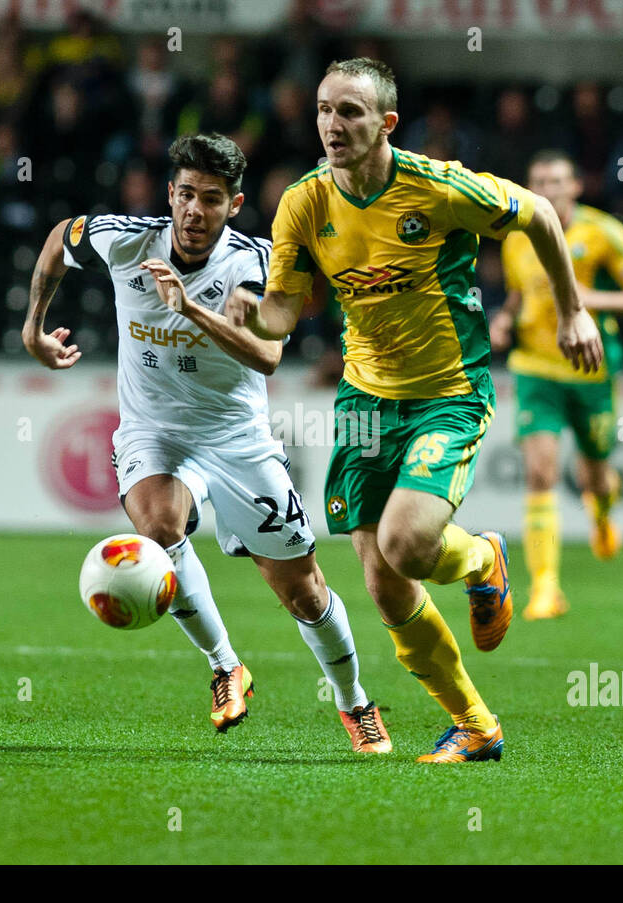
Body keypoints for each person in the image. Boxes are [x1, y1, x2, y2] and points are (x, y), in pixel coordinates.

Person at [227, 58, 603, 763]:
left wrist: (573, 310)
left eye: (350, 113)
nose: (332, 126)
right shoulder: (304, 203)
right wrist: (256, 312)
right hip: (365, 399)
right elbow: (281, 315)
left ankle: (481, 556)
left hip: (447, 394)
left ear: (386, 124)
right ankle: (476, 725)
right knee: (381, 577)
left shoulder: (438, 186)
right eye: (323, 110)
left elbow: (542, 213)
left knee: (406, 543)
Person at [21, 133, 391, 753]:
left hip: (237, 439)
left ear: (235, 203)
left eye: (211, 199)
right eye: (186, 195)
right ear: (170, 194)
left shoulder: (258, 264)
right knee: (159, 532)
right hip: (153, 430)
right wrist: (33, 328)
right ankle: (225, 666)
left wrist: (191, 308)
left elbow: (270, 357)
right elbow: (62, 237)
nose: (195, 211)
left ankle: (355, 703)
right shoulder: (125, 239)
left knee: (302, 591)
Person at [490, 151, 623, 620]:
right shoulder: (517, 237)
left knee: (594, 475)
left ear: (577, 186)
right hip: (535, 368)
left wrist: (591, 300)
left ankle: (602, 509)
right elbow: (518, 293)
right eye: (539, 180)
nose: (548, 189)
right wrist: (504, 320)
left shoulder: (605, 232)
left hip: (591, 369)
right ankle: (546, 589)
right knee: (540, 474)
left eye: (558, 180)